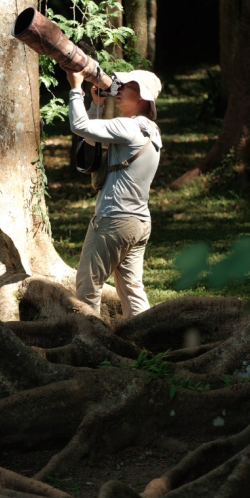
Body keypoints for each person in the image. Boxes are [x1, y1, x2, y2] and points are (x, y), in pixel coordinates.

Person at [66, 68, 162, 319]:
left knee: (87, 288)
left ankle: (92, 347)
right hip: (139, 222)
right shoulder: (150, 130)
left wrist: (76, 89)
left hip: (113, 221)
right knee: (132, 291)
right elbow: (91, 138)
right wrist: (96, 104)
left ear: (141, 96)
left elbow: (79, 126)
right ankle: (147, 348)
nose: (118, 89)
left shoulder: (128, 128)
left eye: (127, 86)